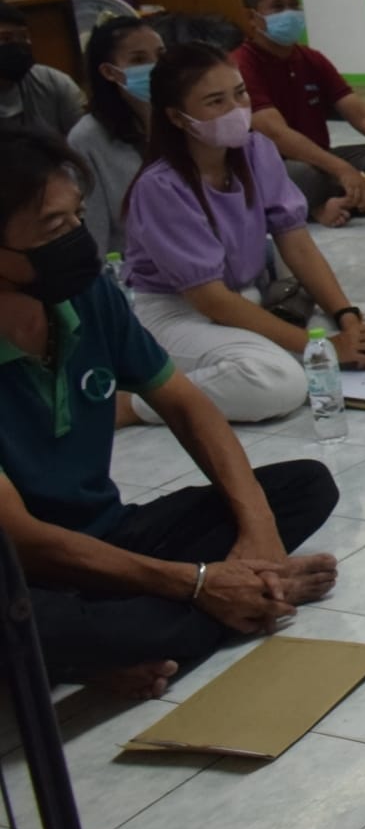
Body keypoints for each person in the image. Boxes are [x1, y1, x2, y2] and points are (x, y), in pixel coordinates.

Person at [0, 125, 339, 698]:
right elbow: (26, 539)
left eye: (78, 216)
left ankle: (140, 640)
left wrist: (258, 532)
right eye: (54, 228)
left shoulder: (86, 296)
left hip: (110, 537)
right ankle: (218, 611)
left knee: (304, 486)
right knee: (34, 624)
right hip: (23, 572)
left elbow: (185, 405)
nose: (77, 237)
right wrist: (199, 583)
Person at [122, 43, 365, 425]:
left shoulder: (255, 150)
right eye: (215, 102)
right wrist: (324, 347)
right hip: (180, 316)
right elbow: (211, 300)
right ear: (177, 117)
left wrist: (347, 319)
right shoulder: (160, 187)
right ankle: (135, 405)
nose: (235, 109)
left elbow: (298, 246)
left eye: (240, 94)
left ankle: (277, 358)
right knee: (279, 384)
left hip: (249, 300)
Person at [234, 0, 365, 227]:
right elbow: (277, 134)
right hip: (278, 164)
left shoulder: (311, 59)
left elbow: (362, 115)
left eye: (294, 5)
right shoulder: (241, 64)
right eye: (278, 7)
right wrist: (341, 169)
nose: (289, 13)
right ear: (252, 17)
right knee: (304, 175)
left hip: (320, 156)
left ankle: (341, 201)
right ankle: (326, 205)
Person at [68, 15, 163, 258]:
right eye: (139, 59)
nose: (156, 66)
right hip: (133, 267)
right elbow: (94, 234)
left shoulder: (183, 118)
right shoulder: (86, 139)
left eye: (161, 55)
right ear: (109, 72)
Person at [0, 4, 85, 139]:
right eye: (5, 38)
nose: (18, 45)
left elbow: (85, 142)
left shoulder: (54, 82)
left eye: (24, 36)